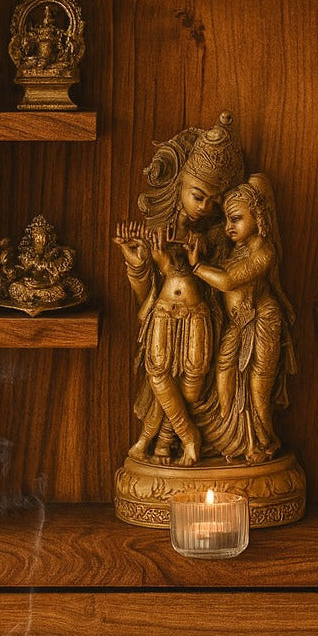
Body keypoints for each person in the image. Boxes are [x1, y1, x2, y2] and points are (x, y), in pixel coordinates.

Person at [114, 113, 245, 465]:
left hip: (199, 312)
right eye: (198, 196)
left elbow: (224, 282)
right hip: (163, 312)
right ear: (181, 183)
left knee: (192, 379)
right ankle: (186, 438)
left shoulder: (218, 234)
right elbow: (146, 293)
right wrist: (141, 263)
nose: (205, 207)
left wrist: (199, 259)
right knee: (158, 373)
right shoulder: (157, 229)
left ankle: (161, 442)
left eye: (214, 203)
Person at [188, 174, 297, 465]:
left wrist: (197, 267)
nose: (229, 227)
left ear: (257, 216)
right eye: (227, 220)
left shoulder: (264, 251)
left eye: (236, 219)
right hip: (238, 321)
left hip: (262, 319)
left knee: (258, 387)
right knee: (223, 373)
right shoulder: (234, 248)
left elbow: (228, 281)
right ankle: (229, 437)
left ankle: (262, 441)